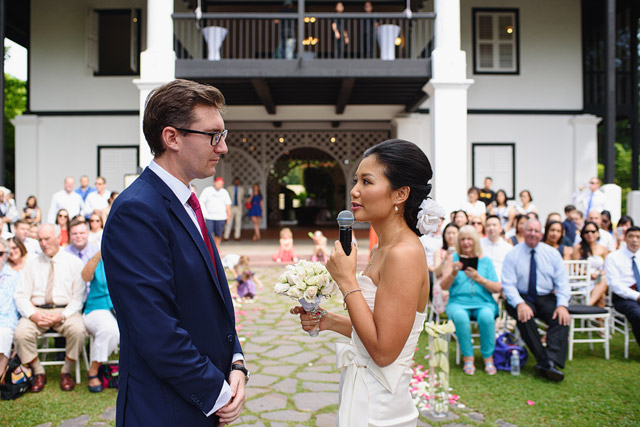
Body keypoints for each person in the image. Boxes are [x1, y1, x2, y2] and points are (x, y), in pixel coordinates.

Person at [101, 79, 246, 426]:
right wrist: (217, 391)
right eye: (213, 135)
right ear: (172, 137)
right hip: (163, 408)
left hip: (202, 394)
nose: (223, 147)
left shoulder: (187, 202)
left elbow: (210, 298)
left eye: (223, 134)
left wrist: (236, 361)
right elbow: (155, 328)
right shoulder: (138, 210)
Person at [292, 139, 434, 425]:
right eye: (356, 180)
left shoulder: (404, 254)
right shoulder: (383, 248)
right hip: (362, 392)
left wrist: (346, 280)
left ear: (400, 194)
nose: (354, 191)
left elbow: (383, 352)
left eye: (367, 181)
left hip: (382, 406)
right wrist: (329, 321)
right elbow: (379, 327)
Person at [13, 224, 86, 392]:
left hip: (65, 310)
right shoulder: (32, 263)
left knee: (78, 330)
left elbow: (78, 298)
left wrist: (62, 316)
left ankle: (66, 371)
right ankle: (38, 372)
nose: (43, 243)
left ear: (58, 238)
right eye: (40, 240)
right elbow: (21, 295)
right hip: (37, 310)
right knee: (21, 333)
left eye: (47, 239)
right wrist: (33, 315)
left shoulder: (74, 263)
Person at [501, 219, 570, 382]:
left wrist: (562, 305)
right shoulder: (513, 254)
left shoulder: (552, 254)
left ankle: (551, 360)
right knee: (524, 316)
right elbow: (508, 284)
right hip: (521, 296)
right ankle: (545, 361)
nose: (533, 233)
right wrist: (520, 303)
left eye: (536, 231)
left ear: (541, 234)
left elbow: (563, 283)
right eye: (529, 230)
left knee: (561, 317)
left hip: (545, 297)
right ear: (523, 232)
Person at [440, 225, 500, 375]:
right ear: (458, 242)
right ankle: (468, 357)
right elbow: (443, 286)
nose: (466, 242)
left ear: (475, 241)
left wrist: (479, 278)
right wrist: (453, 273)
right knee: (460, 317)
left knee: (486, 316)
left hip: (483, 302)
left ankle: (488, 357)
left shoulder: (485, 261)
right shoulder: (453, 259)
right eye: (462, 239)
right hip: (458, 303)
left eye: (469, 239)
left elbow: (496, 288)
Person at [81, 250, 119, 393]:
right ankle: (94, 370)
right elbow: (85, 277)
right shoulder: (98, 259)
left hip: (122, 307)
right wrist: (99, 254)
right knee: (110, 330)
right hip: (97, 307)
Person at [605, 226, 640, 347]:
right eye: (631, 236)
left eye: (638, 237)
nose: (634, 240)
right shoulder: (613, 257)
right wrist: (637, 296)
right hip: (624, 298)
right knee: (637, 314)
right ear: (625, 238)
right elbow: (615, 284)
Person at [572, 221, 609, 307]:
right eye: (587, 232)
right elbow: (574, 267)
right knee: (601, 296)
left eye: (593, 231)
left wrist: (599, 274)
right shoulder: (578, 248)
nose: (590, 234)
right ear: (583, 234)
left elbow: (607, 267)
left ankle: (588, 306)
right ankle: (592, 313)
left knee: (604, 280)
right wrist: (589, 274)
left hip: (599, 279)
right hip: (583, 280)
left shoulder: (603, 249)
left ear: (598, 233)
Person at [0, 238, 20, 378]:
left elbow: (17, 306)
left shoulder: (14, 276)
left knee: (4, 334)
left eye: (0, 253)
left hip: (7, 321)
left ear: (6, 255)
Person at [199, 177, 232, 248]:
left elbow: (228, 204)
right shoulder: (207, 190)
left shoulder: (224, 192)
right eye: (218, 183)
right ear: (214, 183)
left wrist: (229, 215)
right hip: (209, 217)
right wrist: (204, 212)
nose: (219, 185)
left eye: (221, 184)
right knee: (209, 234)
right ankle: (210, 247)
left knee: (218, 234)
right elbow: (201, 201)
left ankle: (216, 247)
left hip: (221, 217)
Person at [481, 215, 512, 281]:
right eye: (488, 225)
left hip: (502, 283)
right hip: (482, 282)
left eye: (494, 225)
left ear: (500, 228)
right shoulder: (478, 244)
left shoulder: (508, 248)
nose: (491, 228)